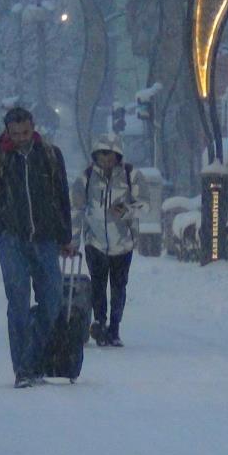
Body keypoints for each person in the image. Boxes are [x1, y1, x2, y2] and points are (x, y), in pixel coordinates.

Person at [0, 107, 73, 389]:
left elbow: (62, 196)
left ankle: (32, 358)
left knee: (51, 301)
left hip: (45, 239)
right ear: (7, 131)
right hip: (12, 241)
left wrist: (65, 236)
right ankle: (24, 369)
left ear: (33, 128)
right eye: (15, 134)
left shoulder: (50, 157)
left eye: (25, 132)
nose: (21, 138)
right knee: (18, 304)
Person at [71, 133, 148, 347]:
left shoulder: (131, 176)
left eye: (111, 155)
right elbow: (76, 209)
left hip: (122, 244)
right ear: (95, 156)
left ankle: (114, 327)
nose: (106, 160)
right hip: (94, 241)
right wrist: (73, 240)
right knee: (97, 284)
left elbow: (146, 205)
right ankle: (100, 323)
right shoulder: (85, 178)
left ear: (118, 156)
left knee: (118, 286)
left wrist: (126, 211)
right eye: (102, 155)